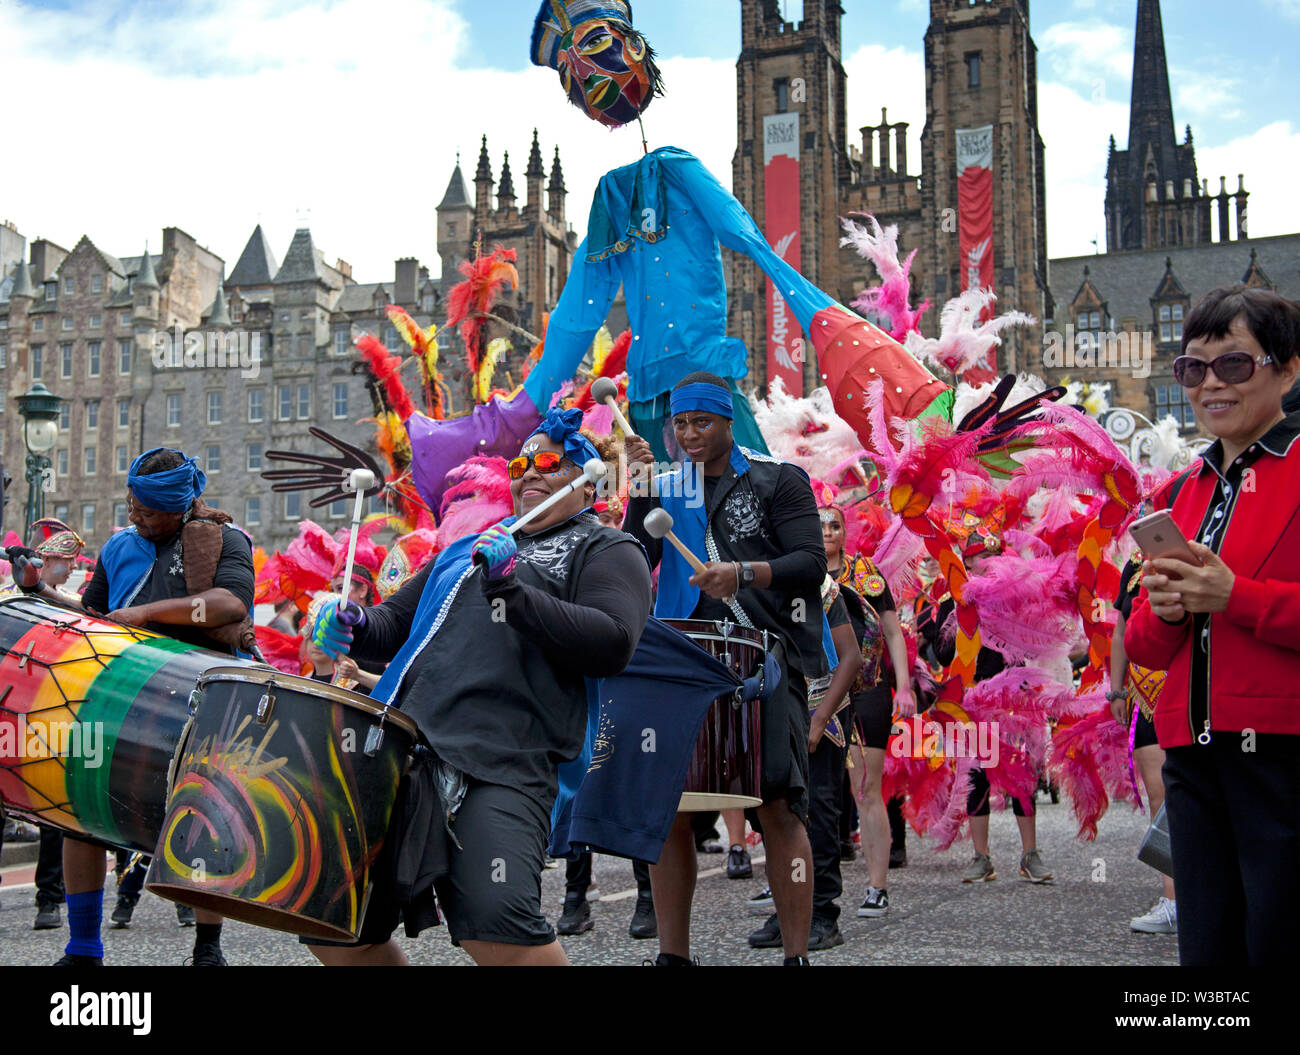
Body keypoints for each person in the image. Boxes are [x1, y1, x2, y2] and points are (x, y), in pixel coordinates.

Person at [307, 408, 652, 966]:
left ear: (589, 482)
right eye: (520, 462)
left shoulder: (607, 549)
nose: (529, 472)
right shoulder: (466, 550)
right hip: (402, 746)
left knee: (497, 927)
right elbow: (394, 630)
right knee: (332, 918)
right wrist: (355, 624)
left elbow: (613, 642)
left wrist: (512, 591)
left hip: (506, 757)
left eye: (549, 463)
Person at [623, 372, 828, 966]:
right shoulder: (665, 486)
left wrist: (744, 574)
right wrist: (639, 490)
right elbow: (632, 557)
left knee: (778, 809)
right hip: (681, 659)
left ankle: (796, 956)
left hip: (759, 657)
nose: (688, 435)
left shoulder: (778, 480)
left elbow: (810, 562)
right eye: (679, 424)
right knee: (670, 811)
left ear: (727, 421)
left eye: (701, 422)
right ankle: (673, 957)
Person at [1125, 285, 1300, 966]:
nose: (1209, 385)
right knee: (1207, 954)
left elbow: (1241, 600)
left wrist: (1238, 596)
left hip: (1281, 754)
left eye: (1233, 365)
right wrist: (1165, 610)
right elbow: (1141, 643)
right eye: (1193, 369)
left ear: (1287, 370)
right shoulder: (1180, 491)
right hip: (1193, 755)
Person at [56, 447, 255, 967]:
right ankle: (82, 949)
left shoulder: (225, 540)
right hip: (118, 692)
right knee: (81, 815)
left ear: (178, 506)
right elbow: (94, 615)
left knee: (202, 820)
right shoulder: (119, 547)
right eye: (131, 504)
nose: (134, 516)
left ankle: (207, 948)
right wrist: (43, 594)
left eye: (146, 510)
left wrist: (145, 612)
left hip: (200, 696)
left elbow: (229, 604)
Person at [819, 492, 916, 918]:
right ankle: (796, 881)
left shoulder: (866, 573)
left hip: (867, 689)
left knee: (866, 790)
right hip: (814, 692)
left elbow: (893, 634)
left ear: (845, 531)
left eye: (835, 525)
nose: (827, 532)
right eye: (819, 524)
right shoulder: (798, 570)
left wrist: (906, 687)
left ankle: (877, 886)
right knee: (806, 793)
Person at [2, 518, 87, 931]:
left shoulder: (71, 602)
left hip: (53, 713)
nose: (72, 566)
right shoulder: (8, 596)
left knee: (52, 810)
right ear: (47, 556)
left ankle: (49, 899)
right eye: (67, 559)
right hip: (8, 710)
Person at [1108, 550, 1177, 935]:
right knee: (1160, 795)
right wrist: (1116, 691)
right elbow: (1121, 629)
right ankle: (1173, 901)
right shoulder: (1135, 565)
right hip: (1147, 694)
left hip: (1193, 688)